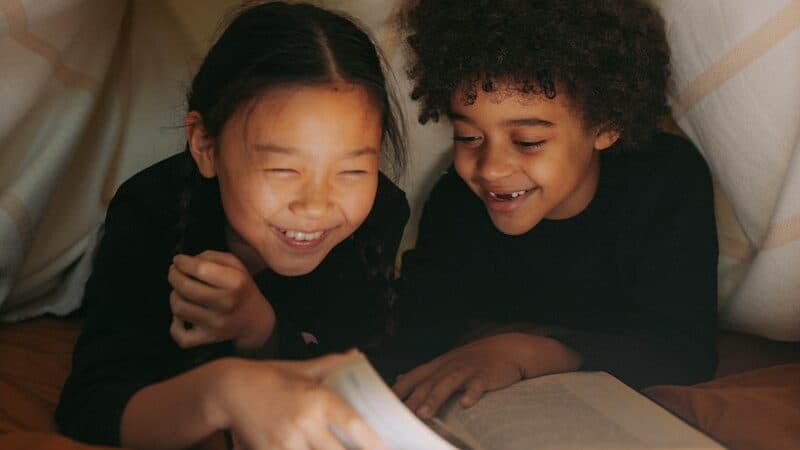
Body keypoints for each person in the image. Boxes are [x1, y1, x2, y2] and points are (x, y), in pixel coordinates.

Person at [55, 2, 409, 449]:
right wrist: (221, 390)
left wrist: (260, 330)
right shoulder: (149, 213)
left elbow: (361, 370)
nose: (317, 205)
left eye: (353, 172)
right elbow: (90, 409)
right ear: (204, 145)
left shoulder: (377, 215)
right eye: (282, 170)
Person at [391, 0, 718, 420]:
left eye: (527, 141)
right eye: (468, 136)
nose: (490, 168)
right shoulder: (456, 202)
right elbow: (415, 339)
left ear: (606, 124)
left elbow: (683, 351)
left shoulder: (666, 180)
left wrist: (528, 351)